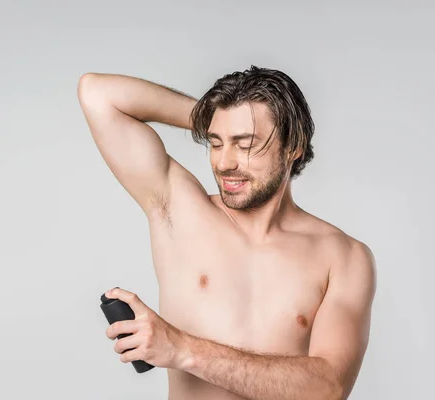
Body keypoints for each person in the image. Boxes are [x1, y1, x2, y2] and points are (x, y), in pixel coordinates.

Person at [77, 65, 376, 400]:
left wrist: (181, 348)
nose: (223, 163)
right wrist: (211, 117)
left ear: (293, 146)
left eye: (243, 144)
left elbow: (328, 388)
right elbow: (97, 94)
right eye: (216, 142)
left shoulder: (343, 257)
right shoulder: (180, 210)